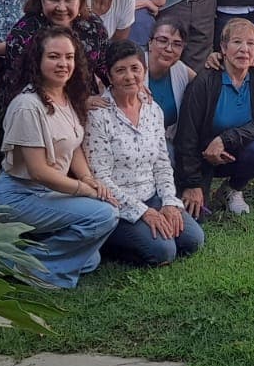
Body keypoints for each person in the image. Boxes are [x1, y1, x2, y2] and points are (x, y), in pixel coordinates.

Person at [0, 26, 118, 288]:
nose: (63, 64)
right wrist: (84, 190)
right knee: (103, 215)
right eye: (54, 57)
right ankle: (24, 267)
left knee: (91, 259)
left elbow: (73, 147)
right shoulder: (28, 105)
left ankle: (17, 256)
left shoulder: (65, 97)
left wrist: (87, 177)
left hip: (47, 192)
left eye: (69, 57)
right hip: (21, 194)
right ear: (38, 60)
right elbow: (39, 171)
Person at [85, 41, 204, 266]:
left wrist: (169, 202)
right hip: (117, 205)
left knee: (192, 240)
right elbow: (100, 178)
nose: (130, 76)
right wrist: (143, 212)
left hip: (152, 196)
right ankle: (108, 242)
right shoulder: (99, 117)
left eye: (135, 69)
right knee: (164, 251)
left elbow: (161, 163)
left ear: (144, 71)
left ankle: (149, 232)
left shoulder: (153, 110)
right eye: (120, 70)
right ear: (109, 77)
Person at [173, 19, 254, 217]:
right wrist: (192, 183)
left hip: (237, 150)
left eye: (250, 43)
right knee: (196, 217)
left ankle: (232, 189)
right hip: (203, 155)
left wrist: (224, 139)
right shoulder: (205, 80)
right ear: (223, 47)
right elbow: (187, 134)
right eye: (237, 42)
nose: (244, 49)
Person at [2, 0, 110, 104]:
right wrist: (76, 102)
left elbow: (106, 66)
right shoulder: (23, 33)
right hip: (38, 107)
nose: (61, 7)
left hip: (88, 105)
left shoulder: (94, 27)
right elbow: (18, 85)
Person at [145, 21, 194, 142]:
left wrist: (214, 60)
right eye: (162, 40)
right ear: (150, 43)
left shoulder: (181, 70)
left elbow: (208, 85)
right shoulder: (133, 67)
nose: (169, 49)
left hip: (166, 142)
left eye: (177, 44)